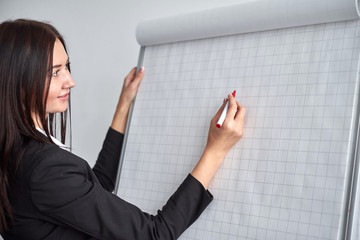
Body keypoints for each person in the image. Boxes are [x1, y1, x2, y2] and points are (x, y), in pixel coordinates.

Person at [0, 19, 246, 240]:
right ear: (18, 82)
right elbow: (154, 234)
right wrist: (215, 151)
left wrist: (123, 106)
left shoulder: (16, 151)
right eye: (55, 72)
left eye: (67, 66)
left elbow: (99, 184)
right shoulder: (45, 168)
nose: (70, 81)